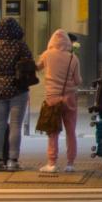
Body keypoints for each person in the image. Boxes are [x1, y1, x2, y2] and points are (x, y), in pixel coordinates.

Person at [0, 18, 34, 172]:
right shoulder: (20, 45)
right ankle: (12, 160)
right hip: (18, 89)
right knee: (15, 125)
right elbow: (30, 64)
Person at [36, 29, 82, 174]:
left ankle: (52, 163)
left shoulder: (47, 55)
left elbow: (37, 68)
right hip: (69, 98)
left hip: (52, 98)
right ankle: (70, 164)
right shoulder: (73, 58)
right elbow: (77, 80)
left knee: (53, 131)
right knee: (71, 132)